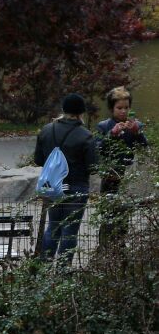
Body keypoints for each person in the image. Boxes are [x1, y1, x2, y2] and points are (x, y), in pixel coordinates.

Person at [34, 94, 97, 265]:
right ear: (81, 113)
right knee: (69, 231)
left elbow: (38, 160)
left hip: (52, 187)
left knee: (52, 227)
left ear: (64, 110)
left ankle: (45, 266)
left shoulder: (46, 130)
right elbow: (93, 167)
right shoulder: (86, 136)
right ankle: (63, 271)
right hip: (76, 188)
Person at [95, 86, 148, 246]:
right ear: (112, 109)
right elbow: (97, 148)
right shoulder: (104, 126)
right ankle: (104, 247)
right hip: (110, 174)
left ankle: (120, 247)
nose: (123, 111)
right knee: (108, 214)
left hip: (129, 175)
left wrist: (138, 133)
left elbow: (145, 148)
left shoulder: (135, 125)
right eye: (119, 108)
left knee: (125, 213)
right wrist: (112, 134)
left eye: (126, 108)